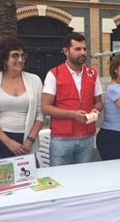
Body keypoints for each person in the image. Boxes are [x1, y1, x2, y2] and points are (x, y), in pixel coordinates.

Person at [42, 32, 103, 166]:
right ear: (66, 51)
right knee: (59, 179)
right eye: (77, 49)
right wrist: (72, 114)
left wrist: (96, 110)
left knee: (83, 180)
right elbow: (45, 107)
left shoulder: (92, 74)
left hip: (86, 138)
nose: (82, 53)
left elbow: (98, 102)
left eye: (84, 49)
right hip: (62, 139)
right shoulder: (54, 74)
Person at [0, 38, 44, 160]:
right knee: (4, 178)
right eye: (15, 56)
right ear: (4, 59)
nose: (20, 60)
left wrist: (30, 140)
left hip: (27, 141)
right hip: (0, 139)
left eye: (22, 56)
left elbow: (40, 113)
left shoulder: (35, 80)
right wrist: (8, 142)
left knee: (27, 177)